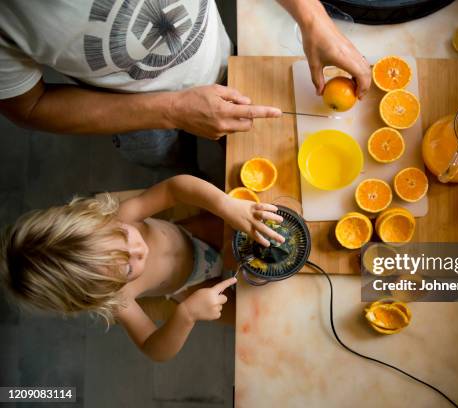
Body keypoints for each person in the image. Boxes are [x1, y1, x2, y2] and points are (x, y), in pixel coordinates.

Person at [0, 0, 371, 167]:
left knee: (241, 144)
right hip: (133, 114)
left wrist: (312, 18)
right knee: (166, 161)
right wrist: (173, 111)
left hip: (225, 57)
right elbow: (29, 106)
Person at [0, 175, 285, 362]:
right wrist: (186, 315)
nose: (140, 251)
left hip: (193, 235)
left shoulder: (123, 215)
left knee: (262, 217)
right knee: (262, 314)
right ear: (101, 293)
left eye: (124, 237)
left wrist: (225, 206)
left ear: (101, 220)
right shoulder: (118, 299)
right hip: (191, 283)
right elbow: (154, 348)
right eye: (127, 269)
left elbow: (175, 189)